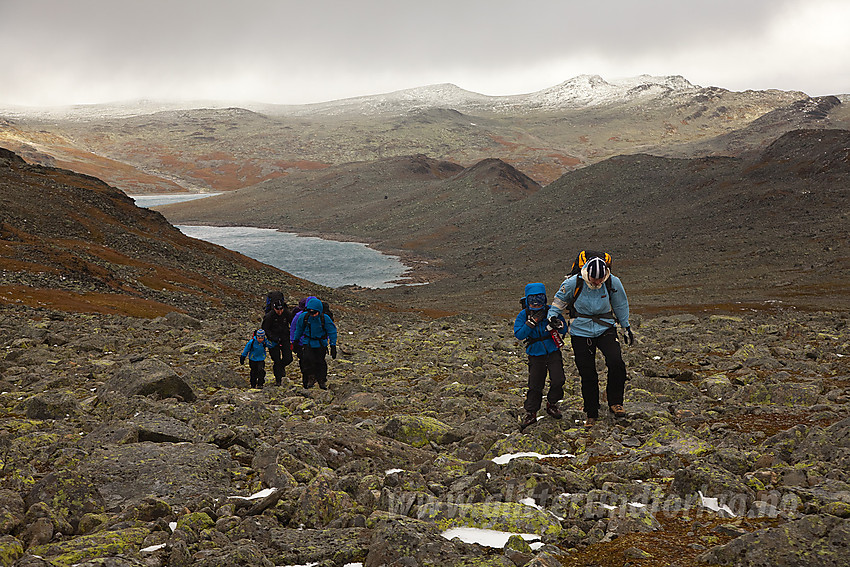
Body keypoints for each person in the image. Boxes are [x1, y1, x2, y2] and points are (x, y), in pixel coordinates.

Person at [547, 256, 633, 429]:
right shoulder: (573, 282)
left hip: (605, 328)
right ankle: (591, 412)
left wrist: (626, 327)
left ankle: (615, 402)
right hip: (580, 330)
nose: (598, 281)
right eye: (595, 279)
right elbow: (559, 302)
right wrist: (552, 317)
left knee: (616, 362)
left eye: (601, 278)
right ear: (588, 274)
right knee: (587, 373)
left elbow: (620, 304)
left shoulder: (612, 282)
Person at [514, 283, 568, 431]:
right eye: (533, 299)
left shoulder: (551, 311)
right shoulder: (524, 315)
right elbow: (519, 334)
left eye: (539, 298)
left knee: (558, 379)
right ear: (527, 300)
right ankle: (531, 412)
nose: (536, 302)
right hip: (535, 353)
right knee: (535, 384)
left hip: (552, 350)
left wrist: (559, 325)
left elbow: (565, 327)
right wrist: (531, 323)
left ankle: (552, 403)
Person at [291, 297, 338, 389]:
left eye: (314, 312)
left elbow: (332, 332)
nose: (312, 315)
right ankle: (310, 378)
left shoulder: (325, 318)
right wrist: (295, 342)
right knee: (308, 360)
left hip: (320, 344)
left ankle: (321, 380)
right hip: (308, 343)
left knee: (320, 362)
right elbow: (299, 329)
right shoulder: (304, 317)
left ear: (319, 310)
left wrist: (333, 345)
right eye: (310, 312)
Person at [262, 297, 294, 385]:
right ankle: (278, 379)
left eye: (281, 309)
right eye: (277, 309)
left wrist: (292, 336)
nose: (280, 311)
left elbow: (293, 324)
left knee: (288, 358)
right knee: (276, 359)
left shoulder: (287, 313)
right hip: (274, 340)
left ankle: (281, 367)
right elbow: (265, 328)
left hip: (285, 338)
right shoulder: (269, 316)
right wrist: (272, 337)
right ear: (274, 308)